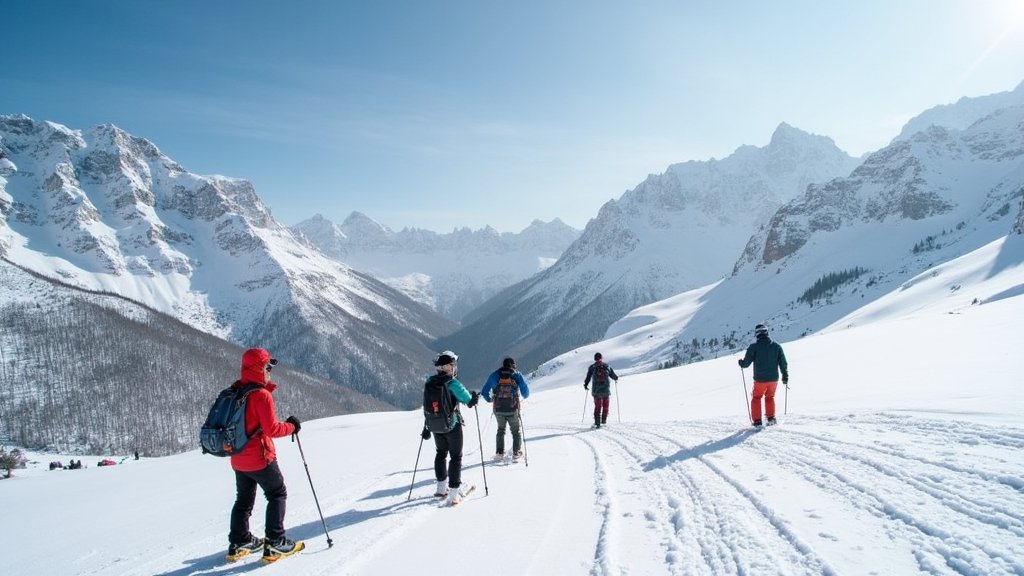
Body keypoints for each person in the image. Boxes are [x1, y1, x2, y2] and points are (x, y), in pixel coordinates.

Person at [225, 347, 304, 563]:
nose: (270, 371)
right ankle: (276, 542)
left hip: (238, 458)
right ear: (260, 368)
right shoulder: (261, 395)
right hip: (260, 457)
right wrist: (291, 427)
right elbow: (271, 430)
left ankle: (239, 541)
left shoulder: (235, 391)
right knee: (277, 493)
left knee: (243, 499)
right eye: (268, 367)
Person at [420, 350, 480, 505]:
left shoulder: (429, 381)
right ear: (450, 367)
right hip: (452, 425)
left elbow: (428, 406)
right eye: (453, 365)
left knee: (440, 453)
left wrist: (427, 427)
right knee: (456, 457)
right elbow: (469, 401)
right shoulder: (453, 383)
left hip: (435, 426)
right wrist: (474, 397)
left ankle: (441, 489)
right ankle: (454, 494)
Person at [738, 324, 789, 427]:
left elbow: (746, 364)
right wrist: (785, 376)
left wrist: (741, 363)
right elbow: (783, 363)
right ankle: (771, 418)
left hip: (760, 379)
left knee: (756, 398)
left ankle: (757, 421)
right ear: (767, 333)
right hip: (773, 379)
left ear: (757, 334)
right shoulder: (776, 346)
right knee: (770, 397)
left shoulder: (754, 347)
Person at [480, 357, 530, 460]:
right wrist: (522, 397)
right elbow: (526, 392)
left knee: (501, 430)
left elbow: (484, 391)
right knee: (516, 431)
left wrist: (489, 399)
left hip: (498, 409)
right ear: (513, 365)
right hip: (513, 408)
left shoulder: (495, 375)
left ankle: (499, 453)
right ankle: (516, 452)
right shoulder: (517, 375)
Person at [584, 352, 619, 428]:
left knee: (598, 406)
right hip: (606, 390)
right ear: (602, 358)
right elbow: (614, 376)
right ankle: (603, 421)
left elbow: (588, 378)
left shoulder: (592, 367)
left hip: (596, 391)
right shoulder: (607, 366)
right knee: (605, 406)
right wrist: (616, 378)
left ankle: (597, 423)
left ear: (595, 359)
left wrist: (586, 385)